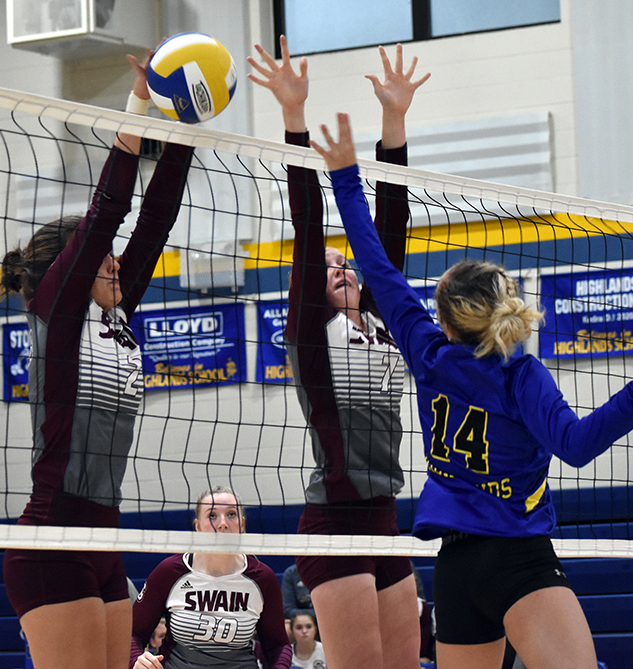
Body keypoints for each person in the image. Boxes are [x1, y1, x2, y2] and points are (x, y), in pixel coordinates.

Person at [310, 112, 633, 669]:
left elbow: (377, 264)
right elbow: (578, 446)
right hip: (518, 559)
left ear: (446, 321)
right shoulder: (519, 374)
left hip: (456, 569)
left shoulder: (426, 352)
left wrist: (344, 175)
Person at [0, 50, 194, 669]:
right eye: (104, 255)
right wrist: (138, 107)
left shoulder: (115, 311)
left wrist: (183, 124)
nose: (116, 261)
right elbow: (109, 210)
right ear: (71, 268)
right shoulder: (59, 314)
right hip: (52, 540)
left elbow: (155, 220)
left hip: (104, 536)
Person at [247, 36, 429, 669]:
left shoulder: (382, 316)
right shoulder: (311, 333)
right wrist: (293, 116)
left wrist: (394, 120)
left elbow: (392, 223)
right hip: (334, 523)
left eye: (343, 261)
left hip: (386, 517)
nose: (342, 266)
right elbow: (307, 224)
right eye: (328, 267)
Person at [129, 486, 292, 669]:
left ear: (242, 524)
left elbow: (278, 646)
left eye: (231, 514)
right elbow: (133, 634)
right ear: (198, 526)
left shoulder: (262, 578)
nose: (222, 523)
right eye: (212, 515)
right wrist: (137, 660)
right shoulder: (170, 572)